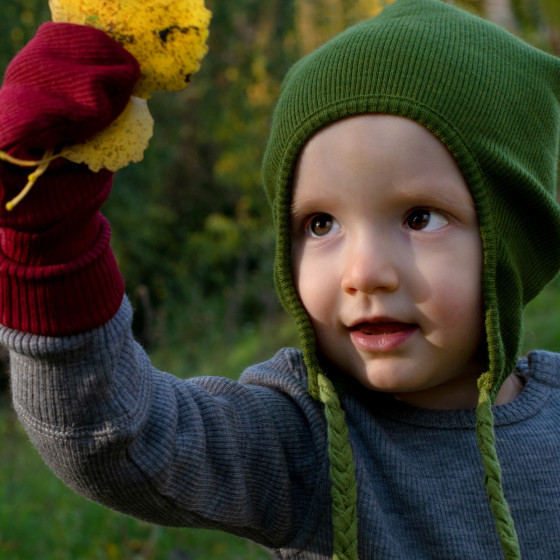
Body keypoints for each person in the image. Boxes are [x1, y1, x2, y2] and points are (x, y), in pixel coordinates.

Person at [1, 0, 559, 558]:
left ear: (513, 237)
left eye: (419, 218)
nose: (363, 273)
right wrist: (48, 246)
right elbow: (119, 438)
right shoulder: (302, 435)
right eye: (320, 224)